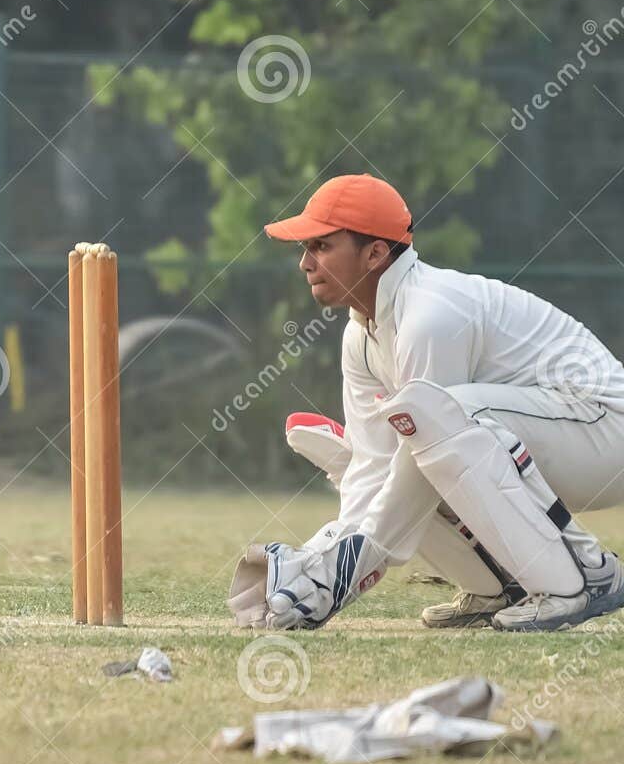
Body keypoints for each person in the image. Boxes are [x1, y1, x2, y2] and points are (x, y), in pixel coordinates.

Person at [229, 173, 624, 632]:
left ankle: (585, 574)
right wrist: (337, 546)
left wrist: (339, 571)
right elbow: (373, 466)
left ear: (376, 253)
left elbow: (425, 447)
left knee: (436, 420)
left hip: (603, 431)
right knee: (403, 445)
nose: (304, 263)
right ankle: (499, 586)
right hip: (538, 444)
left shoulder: (430, 316)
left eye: (321, 246)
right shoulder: (360, 334)